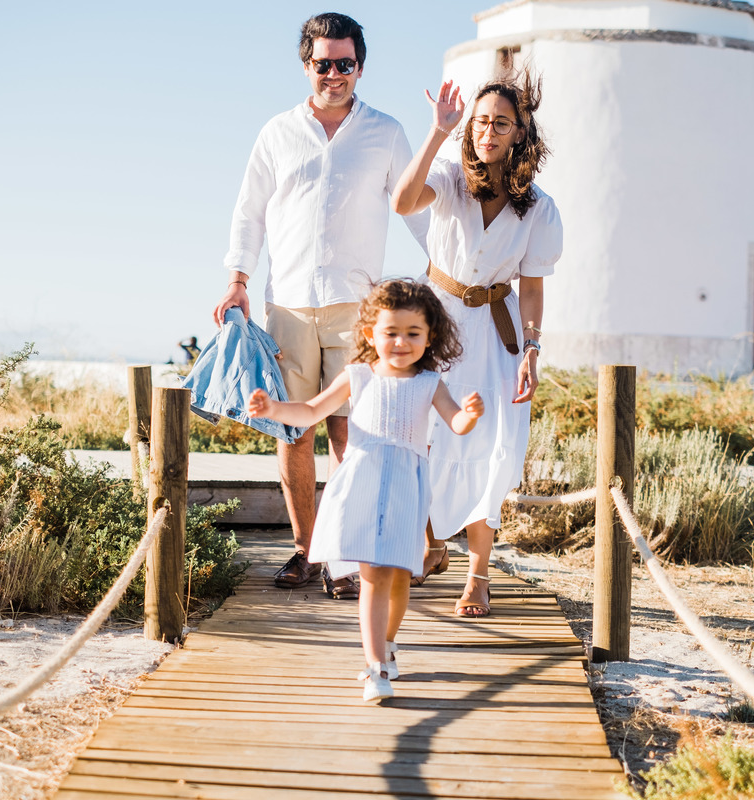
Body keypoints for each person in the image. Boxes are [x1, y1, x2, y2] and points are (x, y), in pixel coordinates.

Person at [213, 12, 427, 599]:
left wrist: (442, 276)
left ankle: (347, 558)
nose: (334, 74)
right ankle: (307, 552)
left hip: (360, 312)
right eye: (323, 64)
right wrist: (238, 278)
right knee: (292, 434)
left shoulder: (385, 131)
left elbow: (414, 205)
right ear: (305, 64)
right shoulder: (277, 131)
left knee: (349, 436)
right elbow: (249, 211)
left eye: (345, 64)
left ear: (361, 66)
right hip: (289, 306)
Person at [247, 279, 484, 703]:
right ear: (371, 332)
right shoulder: (357, 375)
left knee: (397, 578)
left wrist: (469, 415)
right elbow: (312, 410)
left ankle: (388, 645)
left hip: (408, 490)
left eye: (413, 333)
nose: (400, 341)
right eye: (390, 331)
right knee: (373, 574)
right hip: (363, 482)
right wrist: (274, 409)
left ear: (430, 336)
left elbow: (456, 423)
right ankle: (375, 667)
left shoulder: (430, 383)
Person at [392, 72, 562, 618]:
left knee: (492, 447)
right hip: (436, 321)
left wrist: (532, 349)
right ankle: (429, 542)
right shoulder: (448, 174)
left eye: (501, 123)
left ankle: (479, 573)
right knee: (424, 437)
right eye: (482, 121)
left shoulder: (538, 208)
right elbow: (402, 203)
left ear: (519, 132)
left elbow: (532, 286)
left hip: (496, 331)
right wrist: (438, 132)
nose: (489, 131)